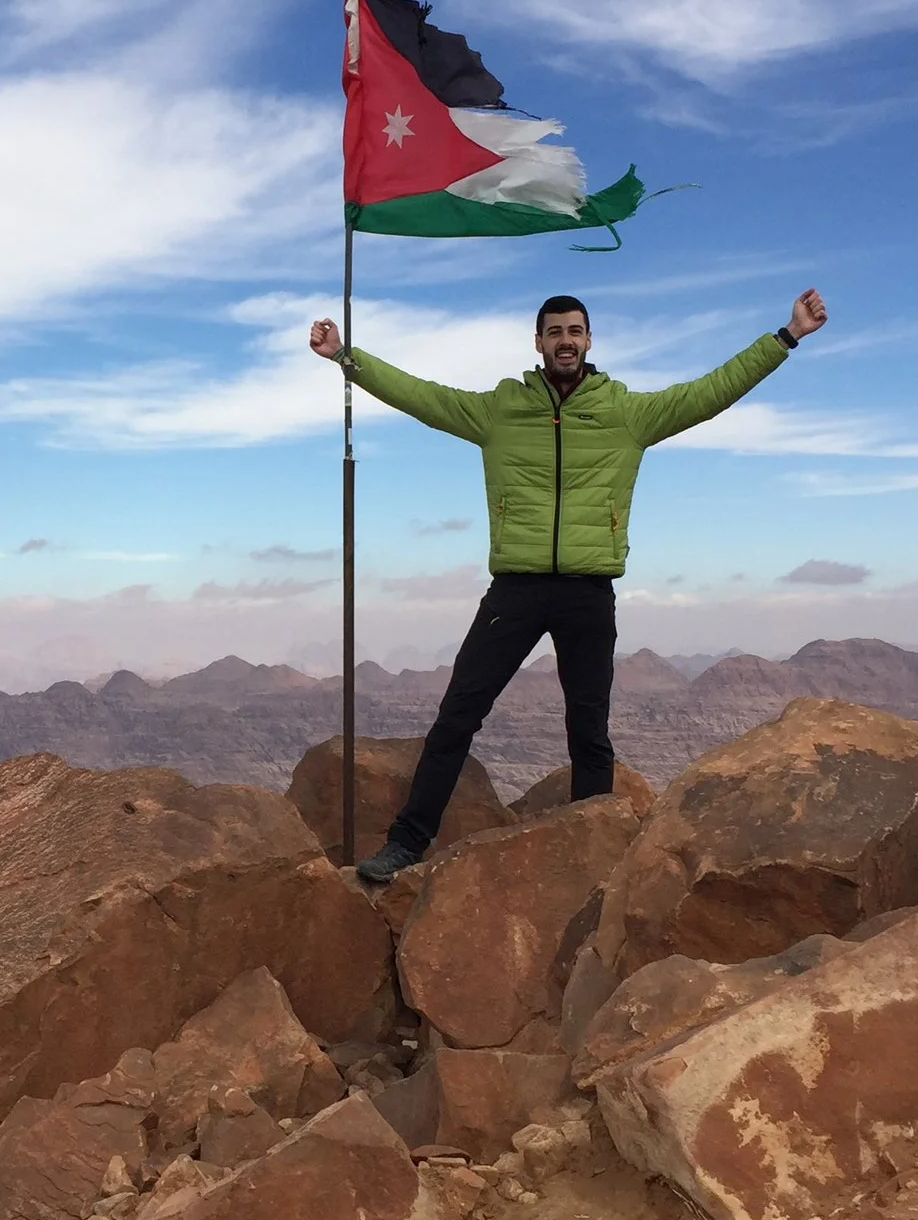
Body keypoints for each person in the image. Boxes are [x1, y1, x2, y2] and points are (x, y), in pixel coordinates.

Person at [309, 287, 828, 883]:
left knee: (589, 729)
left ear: (589, 340)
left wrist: (785, 337)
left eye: (575, 331)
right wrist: (348, 358)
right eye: (555, 332)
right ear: (538, 342)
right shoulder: (500, 409)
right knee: (458, 715)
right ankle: (406, 842)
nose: (565, 341)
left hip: (588, 590)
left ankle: (591, 856)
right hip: (516, 589)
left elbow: (708, 393)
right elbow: (422, 397)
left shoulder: (626, 412)